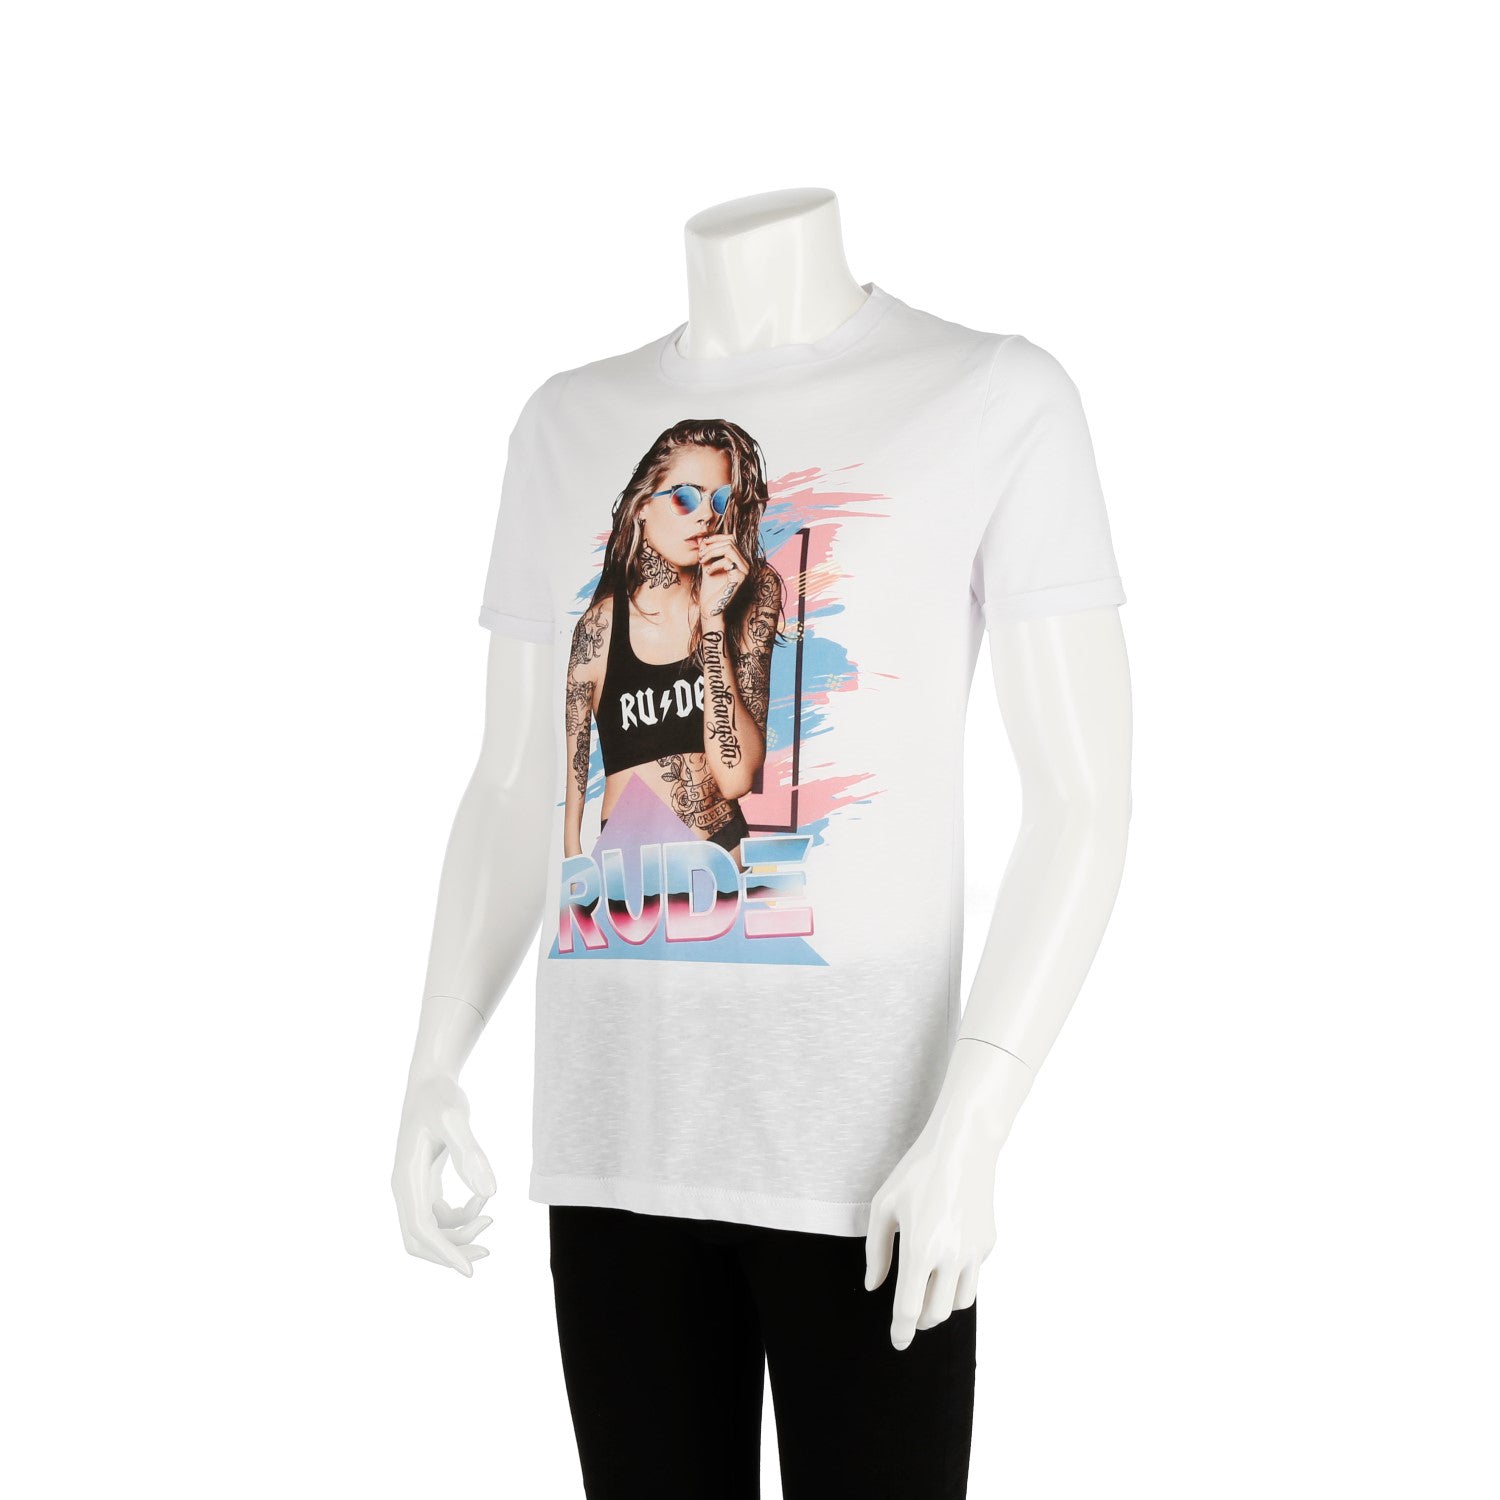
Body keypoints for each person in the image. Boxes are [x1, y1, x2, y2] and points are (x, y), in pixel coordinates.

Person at [564, 418, 783, 867]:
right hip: (630, 868)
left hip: (723, 852)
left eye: (719, 499)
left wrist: (713, 619)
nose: (706, 516)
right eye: (685, 497)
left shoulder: (751, 591)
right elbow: (575, 766)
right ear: (643, 505)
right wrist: (574, 862)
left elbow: (735, 778)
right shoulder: (600, 626)